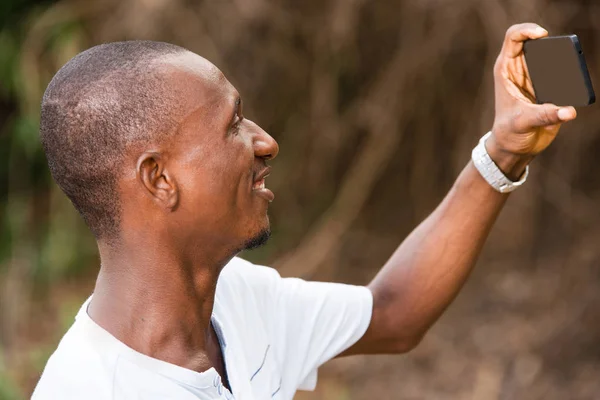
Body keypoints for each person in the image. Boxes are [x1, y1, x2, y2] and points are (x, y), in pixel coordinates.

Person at [32, 23, 577, 400]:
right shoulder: (86, 389)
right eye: (233, 124)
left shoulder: (238, 300)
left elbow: (394, 313)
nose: (265, 142)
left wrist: (504, 151)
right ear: (159, 178)